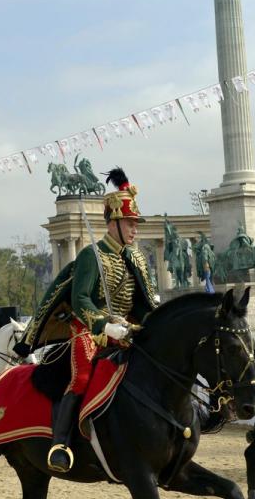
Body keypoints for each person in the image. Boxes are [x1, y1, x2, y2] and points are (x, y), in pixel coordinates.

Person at [23, 167, 159, 473]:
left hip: (125, 328)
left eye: (136, 223)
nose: (135, 229)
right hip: (89, 330)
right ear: (113, 224)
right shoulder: (91, 256)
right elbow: (79, 298)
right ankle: (60, 444)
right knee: (81, 377)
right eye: (130, 223)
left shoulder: (136, 258)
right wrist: (102, 324)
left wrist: (155, 322)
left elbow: (144, 302)